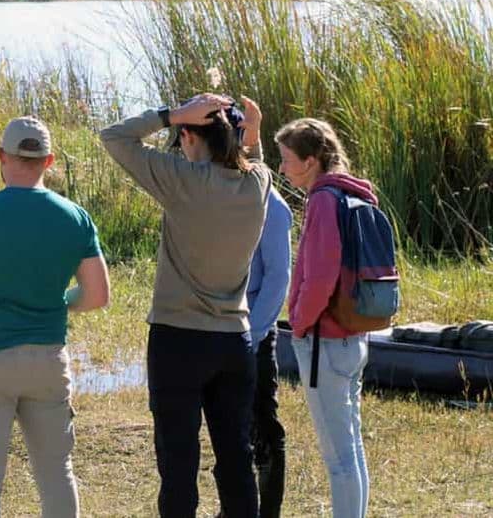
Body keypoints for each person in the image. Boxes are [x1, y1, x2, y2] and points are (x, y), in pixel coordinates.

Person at [100, 93, 271, 518]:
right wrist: (254, 132)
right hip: (235, 341)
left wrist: (171, 115)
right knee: (236, 459)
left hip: (177, 341)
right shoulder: (257, 185)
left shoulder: (183, 180)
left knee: (178, 465)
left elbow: (114, 137)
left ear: (190, 136)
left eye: (181, 138)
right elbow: (254, 159)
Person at [0, 116, 110, 518]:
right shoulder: (75, 217)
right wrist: (59, 302)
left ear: (2, 156)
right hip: (47, 359)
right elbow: (98, 295)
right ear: (48, 161)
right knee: (56, 473)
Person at [276, 118, 373, 518]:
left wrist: (299, 322)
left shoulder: (322, 200)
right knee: (351, 448)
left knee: (338, 458)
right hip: (354, 336)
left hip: (324, 342)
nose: (282, 169)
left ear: (312, 161)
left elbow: (320, 276)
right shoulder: (357, 195)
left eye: (286, 160)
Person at [247, 184, 292, 518]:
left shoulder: (271, 204)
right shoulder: (216, 188)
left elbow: (278, 277)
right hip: (223, 327)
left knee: (265, 427)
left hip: (256, 332)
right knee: (233, 426)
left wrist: (255, 334)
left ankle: (269, 513)